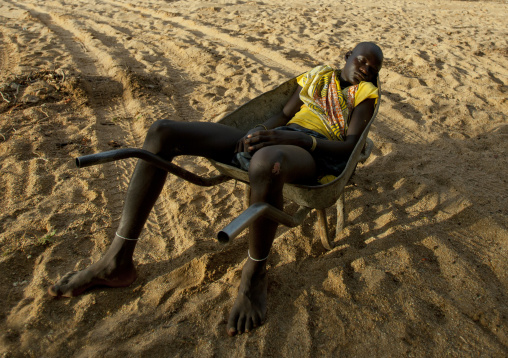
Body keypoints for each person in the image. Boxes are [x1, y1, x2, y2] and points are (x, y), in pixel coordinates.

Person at [48, 42, 383, 336]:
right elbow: (281, 114)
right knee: (162, 131)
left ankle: (254, 275)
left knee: (267, 161)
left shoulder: (364, 94)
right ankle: (118, 260)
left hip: (313, 152)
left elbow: (350, 146)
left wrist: (300, 138)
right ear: (347, 56)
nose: (365, 69)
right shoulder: (318, 76)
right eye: (362, 60)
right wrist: (254, 134)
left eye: (372, 68)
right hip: (280, 137)